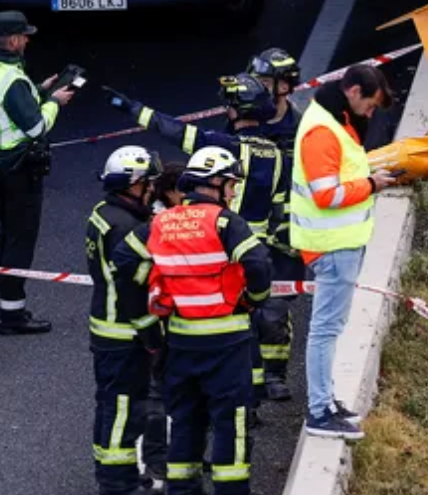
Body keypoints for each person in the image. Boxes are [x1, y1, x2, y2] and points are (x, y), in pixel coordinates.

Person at [107, 74, 302, 402]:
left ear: (233, 111)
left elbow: (173, 130)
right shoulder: (279, 157)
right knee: (262, 315)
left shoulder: (223, 147)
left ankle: (207, 391)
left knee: (224, 324)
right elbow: (282, 211)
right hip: (258, 249)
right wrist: (286, 251)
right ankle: (267, 383)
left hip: (219, 249)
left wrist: (132, 108)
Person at [146, 147, 275, 495]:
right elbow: (258, 263)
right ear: (215, 183)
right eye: (231, 184)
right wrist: (254, 299)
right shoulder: (224, 222)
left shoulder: (162, 222)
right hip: (226, 339)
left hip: (181, 338)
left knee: (186, 415)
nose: (233, 193)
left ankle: (182, 493)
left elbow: (132, 262)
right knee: (230, 417)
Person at [293, 63, 397, 440]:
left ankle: (325, 401)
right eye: (370, 106)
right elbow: (327, 195)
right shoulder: (323, 131)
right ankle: (319, 411)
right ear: (353, 92)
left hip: (335, 245)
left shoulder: (331, 119)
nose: (371, 114)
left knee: (330, 329)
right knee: (325, 330)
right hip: (332, 246)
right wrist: (371, 185)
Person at [0, 11, 74, 336]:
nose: (27, 40)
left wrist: (37, 92)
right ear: (13, 40)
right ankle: (13, 315)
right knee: (21, 239)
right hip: (20, 166)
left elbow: (2, 107)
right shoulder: (11, 79)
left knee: (8, 233)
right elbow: (36, 126)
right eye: (24, 35)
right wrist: (54, 102)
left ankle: (9, 307)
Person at [86, 145, 166, 495]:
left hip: (106, 325)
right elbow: (133, 287)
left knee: (109, 403)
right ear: (133, 185)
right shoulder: (127, 227)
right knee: (122, 407)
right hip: (124, 330)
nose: (152, 188)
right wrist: (151, 332)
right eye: (148, 182)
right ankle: (118, 485)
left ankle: (110, 473)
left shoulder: (104, 214)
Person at [246, 47, 303, 143]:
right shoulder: (242, 117)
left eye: (264, 82)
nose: (255, 88)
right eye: (254, 81)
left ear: (284, 87)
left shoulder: (299, 128)